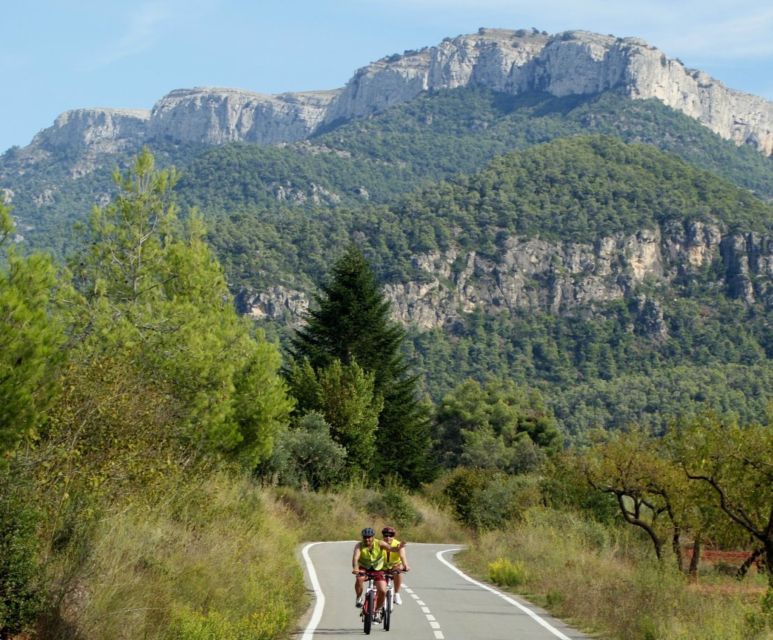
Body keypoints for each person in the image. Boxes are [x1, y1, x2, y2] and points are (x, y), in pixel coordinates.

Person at [352, 527, 388, 620]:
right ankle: (359, 598)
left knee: (383, 591)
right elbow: (356, 558)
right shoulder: (359, 545)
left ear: (373, 537)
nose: (367, 539)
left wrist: (398, 548)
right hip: (364, 568)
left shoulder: (379, 543)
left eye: (369, 537)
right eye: (365, 537)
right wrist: (355, 568)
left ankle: (377, 611)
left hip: (378, 569)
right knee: (359, 578)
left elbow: (390, 548)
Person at [381, 525, 410, 605]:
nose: (388, 537)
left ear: (394, 536)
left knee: (398, 572)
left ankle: (396, 594)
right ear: (383, 536)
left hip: (395, 565)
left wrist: (405, 565)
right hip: (382, 566)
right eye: (386, 535)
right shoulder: (379, 543)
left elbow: (402, 556)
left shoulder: (398, 544)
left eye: (391, 535)